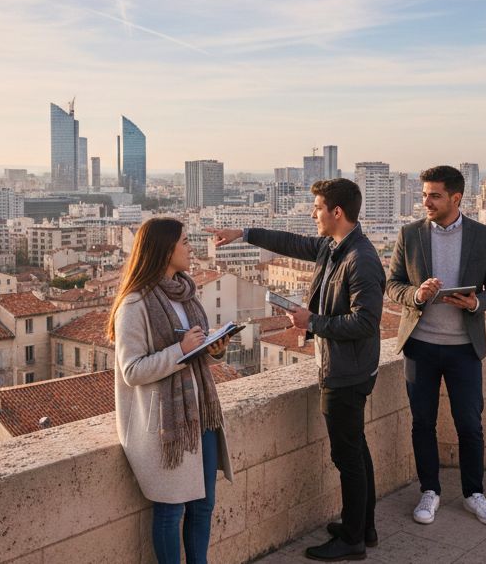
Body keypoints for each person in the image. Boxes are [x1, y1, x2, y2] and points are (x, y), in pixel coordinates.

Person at [210, 178, 385, 562]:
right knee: (356, 450)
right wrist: (243, 232)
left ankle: (353, 538)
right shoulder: (335, 247)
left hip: (347, 373)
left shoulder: (361, 260)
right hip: (345, 368)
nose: (313, 214)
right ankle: (364, 527)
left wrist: (312, 321)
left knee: (347, 456)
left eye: (318, 208)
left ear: (337, 212)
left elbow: (366, 323)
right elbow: (290, 242)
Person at [386, 165, 486, 527]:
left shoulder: (483, 236)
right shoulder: (409, 234)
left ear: (456, 198)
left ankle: (474, 493)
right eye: (424, 194)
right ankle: (430, 491)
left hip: (463, 348)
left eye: (434, 195)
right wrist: (416, 294)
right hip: (420, 346)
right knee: (422, 422)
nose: (426, 201)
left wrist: (475, 304)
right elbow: (393, 284)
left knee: (469, 423)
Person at [108, 217, 233, 564]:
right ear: (165, 250)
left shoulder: (187, 294)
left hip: (200, 415)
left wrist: (213, 348)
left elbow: (194, 357)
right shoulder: (135, 304)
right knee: (170, 510)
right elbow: (132, 370)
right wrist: (178, 350)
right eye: (184, 241)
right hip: (166, 426)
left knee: (204, 504)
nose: (190, 247)